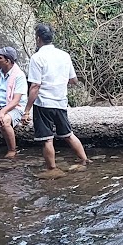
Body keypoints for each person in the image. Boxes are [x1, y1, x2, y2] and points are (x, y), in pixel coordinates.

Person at [23, 23, 89, 174]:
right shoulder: (64, 55)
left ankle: (52, 169)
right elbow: (74, 80)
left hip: (44, 103)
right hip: (60, 101)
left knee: (47, 139)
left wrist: (27, 110)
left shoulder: (37, 57)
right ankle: (84, 160)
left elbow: (35, 86)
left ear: (38, 39)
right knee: (68, 134)